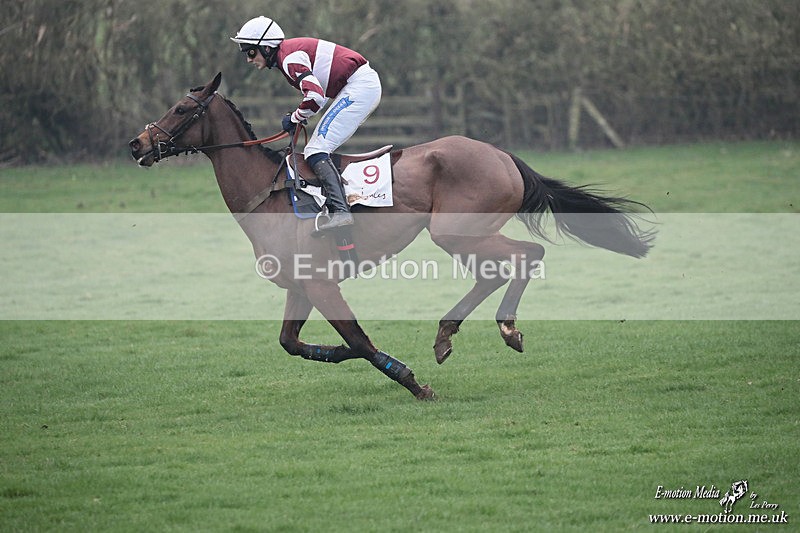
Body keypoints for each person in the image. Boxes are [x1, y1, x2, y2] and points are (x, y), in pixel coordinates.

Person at [231, 16, 382, 231]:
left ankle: (340, 212)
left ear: (266, 47)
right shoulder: (287, 56)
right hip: (358, 86)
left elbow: (316, 97)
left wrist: (295, 117)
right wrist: (300, 115)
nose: (248, 59)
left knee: (316, 149)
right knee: (316, 147)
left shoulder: (288, 59)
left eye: (250, 51)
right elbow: (316, 98)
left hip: (359, 87)